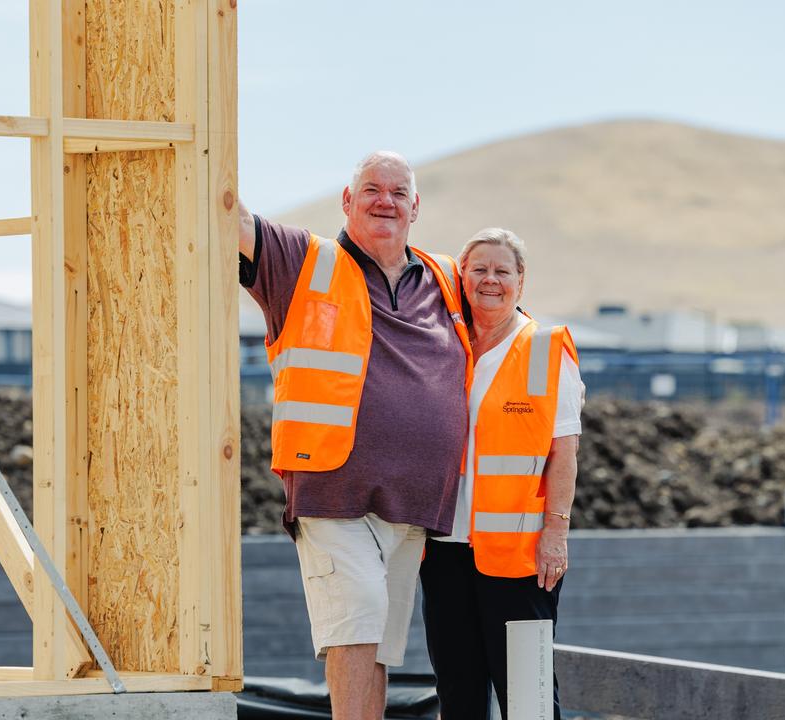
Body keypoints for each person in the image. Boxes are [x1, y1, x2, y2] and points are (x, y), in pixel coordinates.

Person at [237, 151, 471, 720]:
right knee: (355, 624)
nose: (383, 201)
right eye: (370, 189)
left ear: (415, 207)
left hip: (415, 504)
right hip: (332, 491)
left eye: (397, 192)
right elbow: (229, 217)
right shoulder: (303, 261)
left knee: (378, 643)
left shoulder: (446, 278)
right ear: (347, 201)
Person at [420, 228, 582, 719]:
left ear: (520, 281)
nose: (491, 280)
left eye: (502, 271)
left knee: (527, 700)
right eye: (479, 270)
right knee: (458, 693)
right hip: (445, 552)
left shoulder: (545, 348)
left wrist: (556, 533)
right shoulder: (442, 346)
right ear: (461, 279)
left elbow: (564, 453)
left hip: (520, 559)